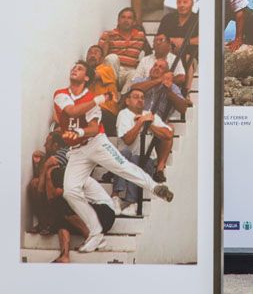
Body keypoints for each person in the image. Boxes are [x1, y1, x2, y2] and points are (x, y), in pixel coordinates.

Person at [55, 60, 174, 253]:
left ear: (86, 77)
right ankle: (96, 234)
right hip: (77, 151)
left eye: (79, 69)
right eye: (73, 67)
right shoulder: (61, 95)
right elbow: (71, 111)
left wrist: (79, 132)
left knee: (123, 166)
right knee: (70, 191)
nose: (74, 69)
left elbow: (93, 128)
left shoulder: (91, 99)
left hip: (96, 143)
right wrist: (99, 100)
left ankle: (156, 187)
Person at [114, 88, 175, 215]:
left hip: (145, 160)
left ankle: (132, 202)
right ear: (127, 101)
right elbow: (128, 140)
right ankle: (116, 197)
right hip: (124, 158)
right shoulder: (123, 114)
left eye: (142, 97)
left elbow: (168, 134)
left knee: (136, 159)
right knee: (124, 155)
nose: (140, 99)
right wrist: (140, 123)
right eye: (136, 97)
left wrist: (149, 124)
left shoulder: (150, 115)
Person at [100, 7, 149, 89]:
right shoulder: (108, 34)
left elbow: (149, 53)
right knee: (112, 57)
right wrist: (107, 43)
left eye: (129, 18)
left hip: (129, 70)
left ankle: (124, 98)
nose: (126, 20)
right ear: (118, 20)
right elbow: (100, 58)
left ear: (134, 22)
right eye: (123, 17)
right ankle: (112, 90)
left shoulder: (140, 35)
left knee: (134, 74)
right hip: (113, 69)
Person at [129, 58, 189, 123]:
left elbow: (183, 108)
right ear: (150, 69)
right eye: (155, 65)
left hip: (157, 123)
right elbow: (132, 89)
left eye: (161, 67)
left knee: (170, 128)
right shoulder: (140, 80)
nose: (156, 68)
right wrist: (159, 80)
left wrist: (169, 93)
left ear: (166, 73)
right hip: (136, 120)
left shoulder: (172, 86)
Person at [84, 44, 120, 135]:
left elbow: (93, 75)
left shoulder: (107, 69)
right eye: (90, 53)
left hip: (107, 113)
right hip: (92, 111)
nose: (92, 55)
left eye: (96, 53)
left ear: (102, 59)